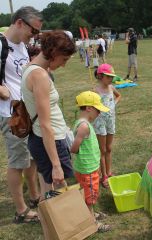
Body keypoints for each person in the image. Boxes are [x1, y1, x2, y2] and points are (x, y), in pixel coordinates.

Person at [21, 30, 76, 198]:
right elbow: (45, 123)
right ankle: (78, 223)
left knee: (49, 189)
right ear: (54, 52)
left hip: (43, 138)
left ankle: (56, 223)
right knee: (60, 189)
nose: (64, 64)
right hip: (49, 140)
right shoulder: (40, 76)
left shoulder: (30, 68)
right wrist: (56, 165)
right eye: (64, 59)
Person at [0, 6, 42, 224]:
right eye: (33, 31)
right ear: (19, 23)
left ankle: (34, 196)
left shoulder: (22, 46)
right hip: (10, 114)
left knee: (30, 156)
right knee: (17, 161)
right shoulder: (0, 44)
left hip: (26, 110)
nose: (33, 36)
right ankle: (21, 211)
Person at [70, 91, 111, 232]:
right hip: (87, 170)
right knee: (89, 196)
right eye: (97, 110)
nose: (99, 113)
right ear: (89, 108)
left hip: (87, 168)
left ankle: (91, 214)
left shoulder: (83, 124)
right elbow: (74, 148)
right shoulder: (84, 126)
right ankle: (92, 222)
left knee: (87, 193)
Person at [93, 63, 121, 188]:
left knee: (109, 148)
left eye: (112, 77)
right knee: (102, 150)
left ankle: (109, 172)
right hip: (100, 123)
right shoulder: (95, 91)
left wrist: (113, 104)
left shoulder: (111, 88)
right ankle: (103, 175)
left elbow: (119, 96)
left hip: (110, 121)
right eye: (108, 77)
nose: (111, 79)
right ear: (100, 76)